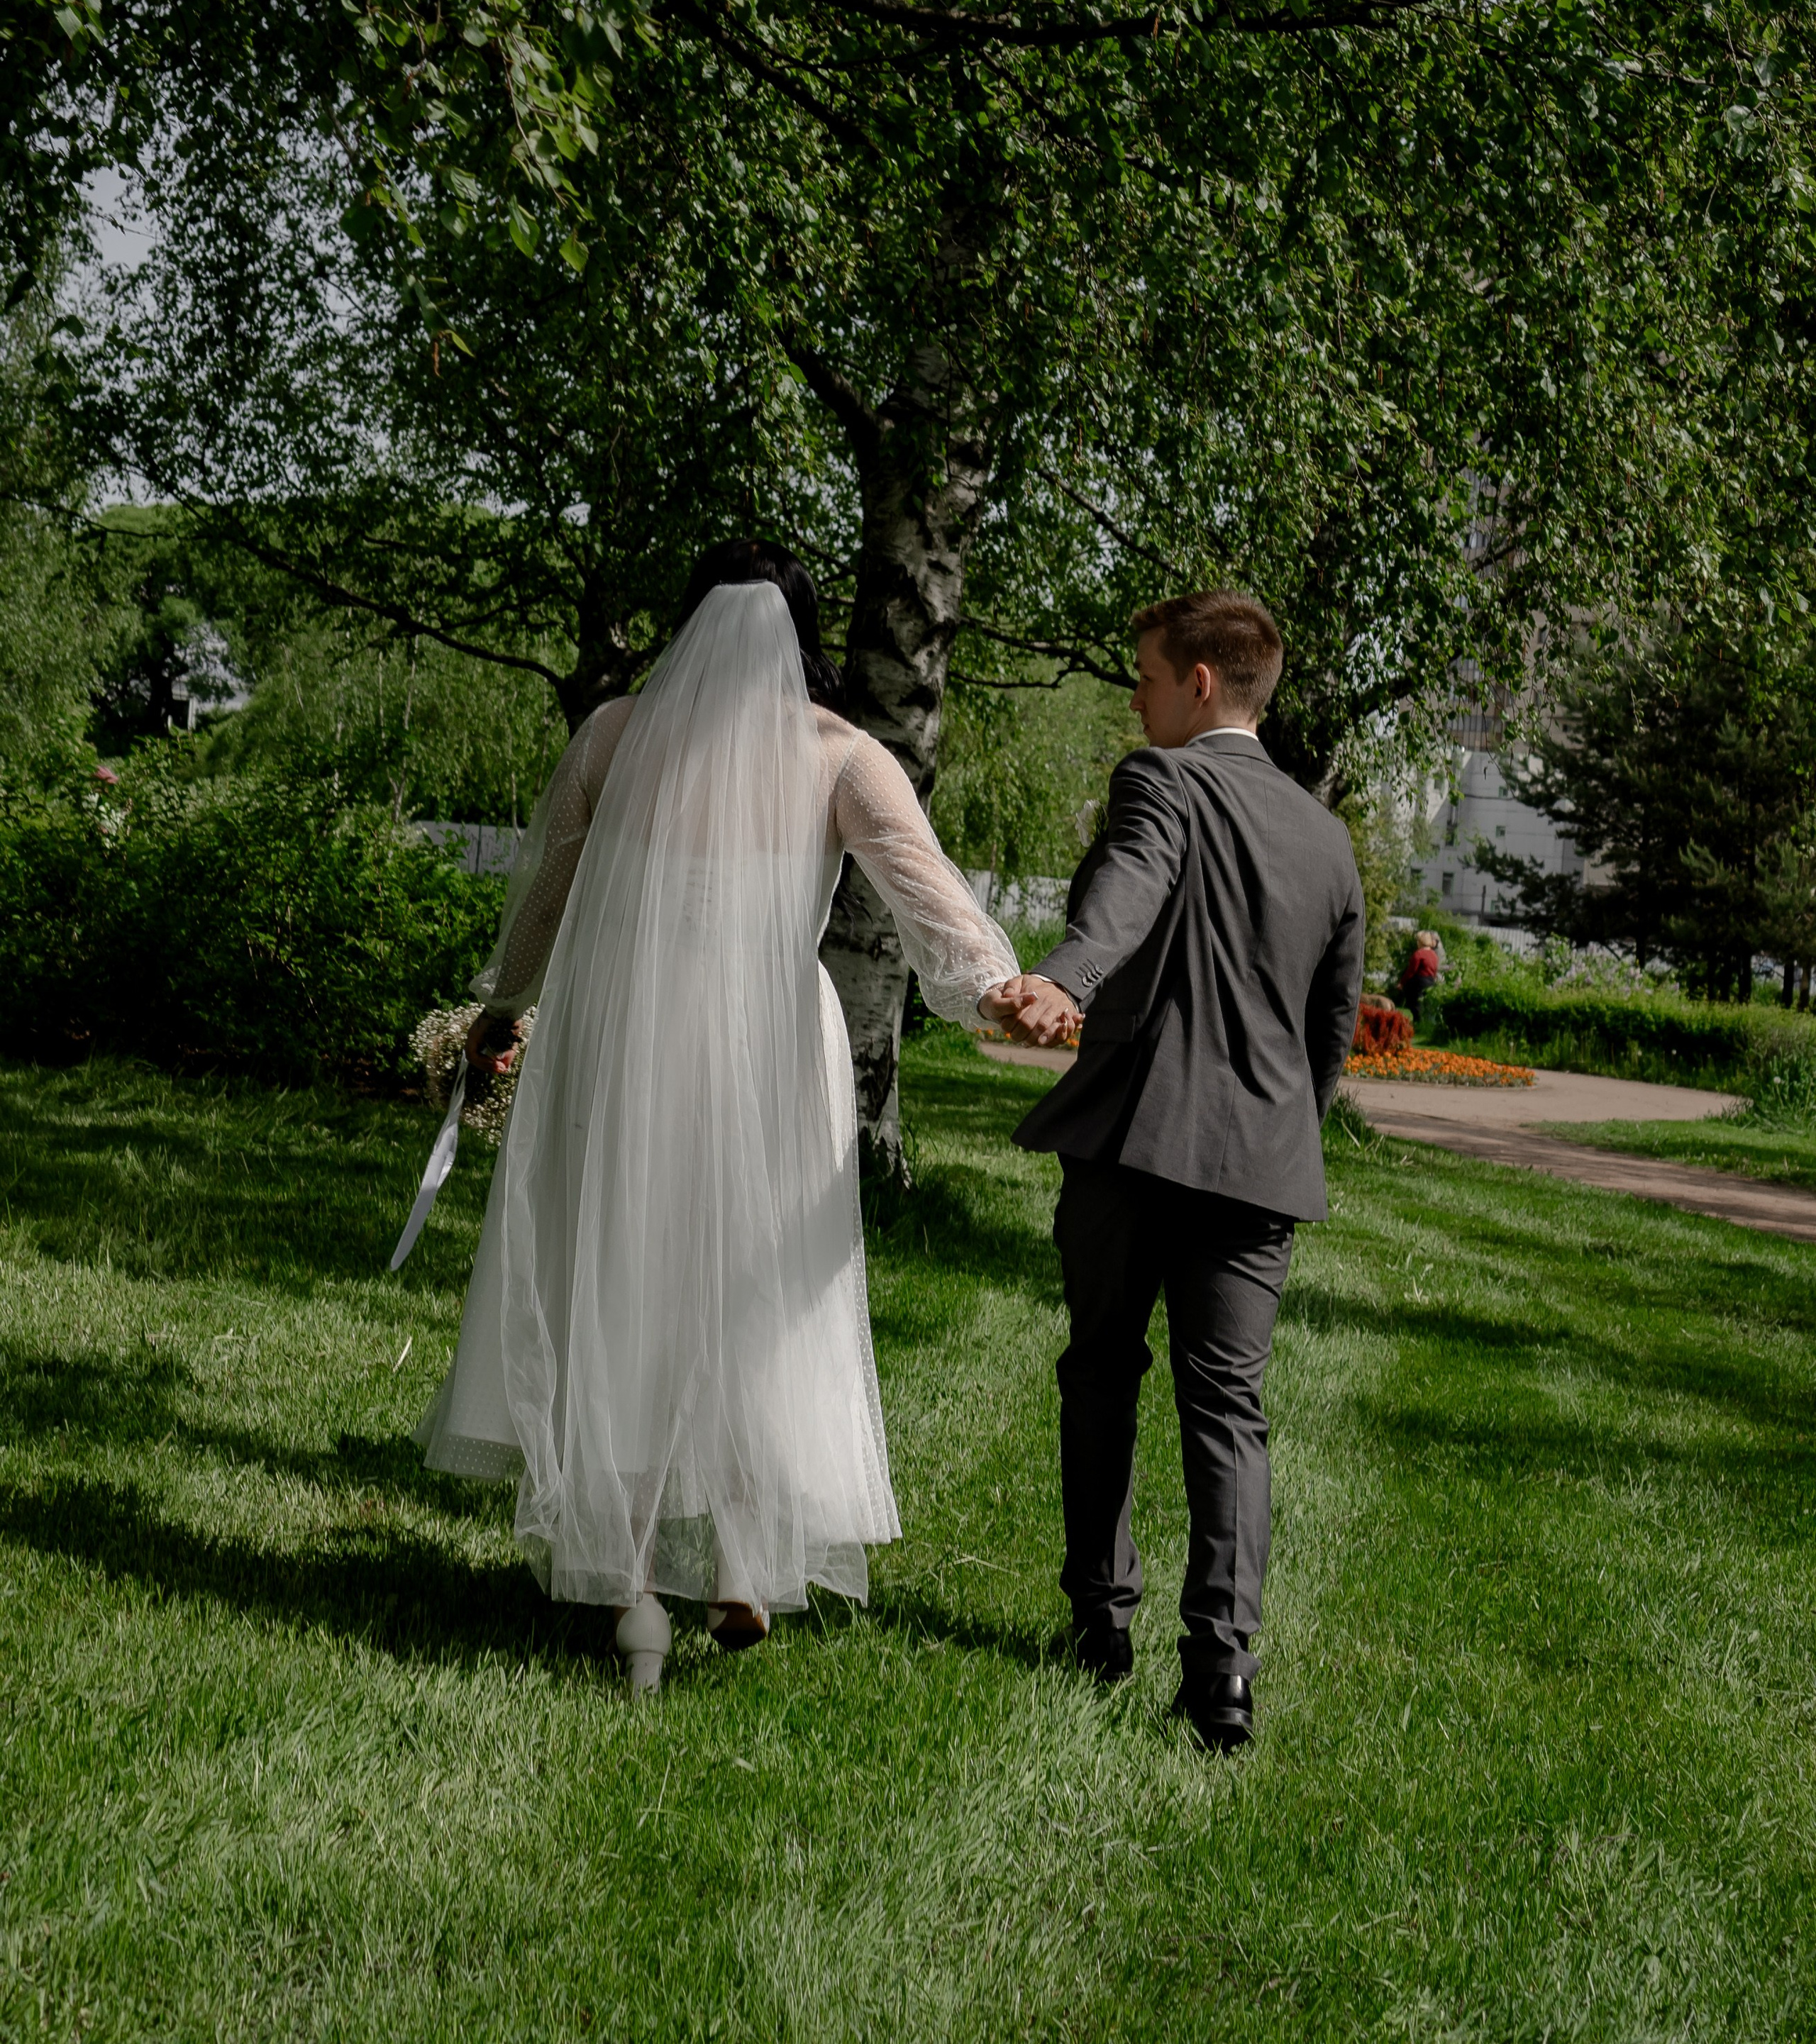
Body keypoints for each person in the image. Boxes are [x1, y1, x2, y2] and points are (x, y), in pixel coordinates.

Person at [414, 540, 1033, 1689]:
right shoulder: (843, 756)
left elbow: (546, 897)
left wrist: (503, 1009)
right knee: (748, 1295)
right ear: (802, 640)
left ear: (687, 627)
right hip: (765, 1055)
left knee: (632, 1287)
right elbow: (935, 908)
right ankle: (747, 1562)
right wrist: (1002, 991)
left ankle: (635, 1592)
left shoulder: (613, 738)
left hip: (624, 1043)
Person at [995, 590, 1363, 1753]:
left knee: (1102, 1371)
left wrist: (1069, 975)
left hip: (1131, 1144)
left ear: (1202, 681)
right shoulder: (1329, 838)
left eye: (1146, 675)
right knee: (1231, 1414)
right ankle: (1223, 1678)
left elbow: (1130, 888)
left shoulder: (1160, 783)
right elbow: (1333, 1028)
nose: (1137, 696)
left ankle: (1101, 1629)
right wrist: (1282, 1130)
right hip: (1261, 1161)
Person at [1395, 929, 1442, 1023]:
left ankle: (1418, 1020)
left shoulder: (1419, 954)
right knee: (1426, 1004)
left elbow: (1411, 971)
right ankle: (1425, 1022)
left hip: (1419, 981)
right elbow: (1435, 970)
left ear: (1420, 942)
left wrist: (1402, 983)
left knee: (1413, 1001)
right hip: (1431, 981)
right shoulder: (1434, 955)